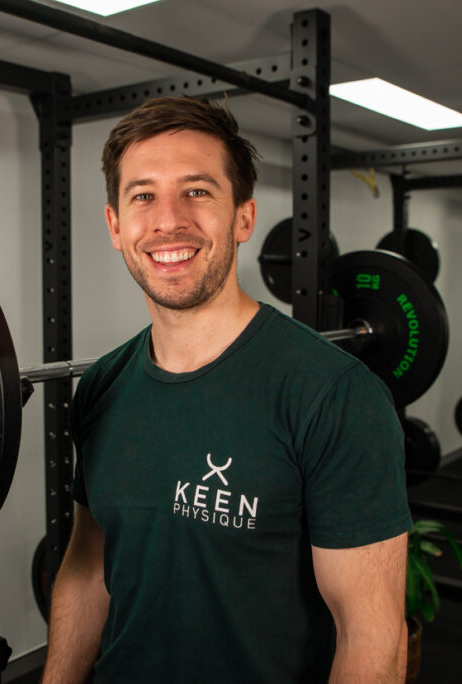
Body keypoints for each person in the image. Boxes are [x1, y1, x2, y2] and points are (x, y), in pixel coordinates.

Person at [42, 95, 411, 683]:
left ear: (243, 216)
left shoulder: (334, 395)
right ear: (115, 225)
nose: (168, 219)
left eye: (197, 191)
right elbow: (88, 568)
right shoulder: (101, 386)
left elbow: (371, 638)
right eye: (143, 196)